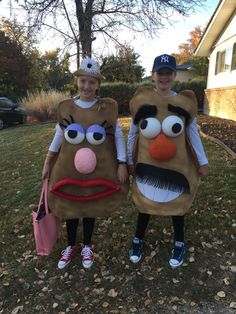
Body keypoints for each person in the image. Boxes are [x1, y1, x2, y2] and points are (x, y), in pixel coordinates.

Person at [42, 56, 128, 270]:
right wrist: (48, 160)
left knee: (90, 205)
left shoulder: (105, 109)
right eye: (83, 81)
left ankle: (87, 245)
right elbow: (59, 137)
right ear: (77, 82)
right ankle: (71, 245)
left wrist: (122, 162)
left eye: (92, 82)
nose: (86, 86)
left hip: (97, 169)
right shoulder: (67, 108)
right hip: (69, 168)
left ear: (98, 85)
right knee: (71, 205)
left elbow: (117, 136)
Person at [127, 54, 208, 268]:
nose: (164, 77)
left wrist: (202, 160)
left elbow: (193, 134)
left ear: (174, 75)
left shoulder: (183, 103)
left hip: (176, 165)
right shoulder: (143, 101)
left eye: (168, 73)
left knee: (177, 203)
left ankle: (179, 242)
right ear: (153, 75)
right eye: (160, 73)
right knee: (145, 202)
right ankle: (138, 240)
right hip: (148, 163)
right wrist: (127, 159)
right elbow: (133, 134)